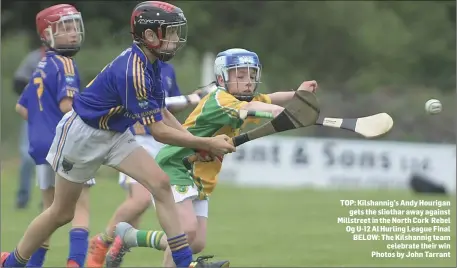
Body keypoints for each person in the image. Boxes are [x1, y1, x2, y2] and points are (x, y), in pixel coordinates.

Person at [1, 1, 234, 268]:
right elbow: (157, 131)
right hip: (82, 137)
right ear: (149, 36)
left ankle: (183, 263)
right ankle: (13, 263)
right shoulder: (133, 70)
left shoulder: (152, 64)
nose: (174, 38)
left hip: (115, 134)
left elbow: (162, 113)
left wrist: (195, 146)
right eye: (169, 32)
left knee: (160, 183)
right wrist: (205, 142)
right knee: (61, 213)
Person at [105, 48, 318, 267]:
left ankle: (129, 236)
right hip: (177, 165)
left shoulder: (241, 97)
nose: (248, 81)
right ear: (221, 77)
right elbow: (255, 108)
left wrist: (296, 95)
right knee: (185, 231)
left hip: (200, 174)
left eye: (252, 75)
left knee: (195, 242)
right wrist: (280, 113)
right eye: (240, 75)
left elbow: (268, 98)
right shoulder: (221, 100)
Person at [86, 61, 204, 268]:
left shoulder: (167, 70)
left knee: (140, 217)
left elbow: (166, 108)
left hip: (162, 143)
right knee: (140, 200)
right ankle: (102, 242)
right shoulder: (132, 66)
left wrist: (190, 99)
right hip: (136, 141)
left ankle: (123, 240)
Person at [12, 4, 93, 268]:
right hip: (65, 146)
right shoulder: (66, 64)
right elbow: (67, 106)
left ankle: (32, 264)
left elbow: (22, 108)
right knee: (79, 208)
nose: (72, 33)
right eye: (65, 28)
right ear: (47, 35)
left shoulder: (41, 64)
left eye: (73, 27)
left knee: (51, 211)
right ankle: (75, 264)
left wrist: (43, 125)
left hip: (41, 146)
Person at [13, 44, 44, 209]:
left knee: (51, 159)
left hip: (52, 117)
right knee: (26, 156)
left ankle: (48, 199)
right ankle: (22, 198)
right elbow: (17, 82)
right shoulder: (33, 59)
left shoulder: (64, 61)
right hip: (32, 114)